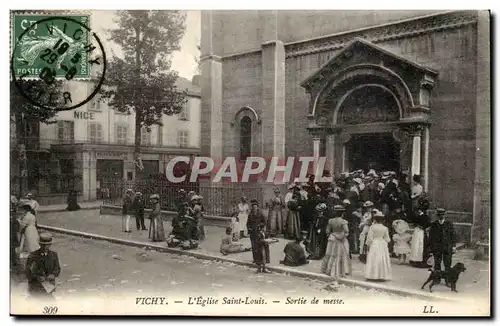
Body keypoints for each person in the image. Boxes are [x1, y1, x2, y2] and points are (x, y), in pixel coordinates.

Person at [25, 233, 61, 299]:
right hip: (36, 288)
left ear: (50, 245)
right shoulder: (33, 256)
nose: (45, 247)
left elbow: (57, 269)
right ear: (39, 244)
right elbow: (28, 272)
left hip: (49, 288)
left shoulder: (53, 255)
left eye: (47, 245)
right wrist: (37, 277)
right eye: (43, 245)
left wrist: (53, 275)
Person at [321, 205, 351, 282]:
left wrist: (333, 234)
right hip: (340, 239)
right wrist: (341, 236)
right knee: (339, 255)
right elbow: (346, 231)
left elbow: (327, 231)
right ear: (342, 213)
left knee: (329, 253)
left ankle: (327, 269)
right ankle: (339, 271)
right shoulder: (343, 221)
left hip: (332, 238)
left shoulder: (331, 221)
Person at [364, 210, 392, 281]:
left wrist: (368, 245)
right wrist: (384, 243)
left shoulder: (372, 227)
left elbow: (370, 238)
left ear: (375, 219)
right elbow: (387, 239)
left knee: (374, 258)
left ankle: (373, 275)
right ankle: (382, 275)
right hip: (382, 243)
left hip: (374, 243)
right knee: (381, 258)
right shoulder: (385, 228)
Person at [428, 208, 457, 274]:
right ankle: (437, 279)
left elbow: (453, 235)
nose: (441, 216)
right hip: (437, 247)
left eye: (442, 215)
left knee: (447, 263)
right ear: (437, 216)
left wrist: (454, 246)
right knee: (437, 263)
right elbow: (431, 237)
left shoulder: (449, 224)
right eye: (439, 215)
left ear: (444, 215)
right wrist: (430, 247)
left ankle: (448, 280)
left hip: (447, 247)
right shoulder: (434, 224)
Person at [409, 198, 432, 268]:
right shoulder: (420, 216)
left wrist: (422, 227)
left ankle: (418, 259)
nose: (418, 211)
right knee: (417, 245)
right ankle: (416, 259)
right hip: (418, 231)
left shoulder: (423, 216)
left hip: (420, 231)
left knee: (419, 245)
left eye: (419, 210)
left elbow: (427, 224)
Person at [247, 199, 266, 264]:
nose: (254, 208)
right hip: (252, 233)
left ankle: (259, 259)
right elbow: (248, 223)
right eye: (253, 207)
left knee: (258, 246)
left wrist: (260, 225)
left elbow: (264, 222)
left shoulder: (260, 214)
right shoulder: (250, 214)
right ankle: (254, 259)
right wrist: (249, 228)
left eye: (255, 207)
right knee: (253, 246)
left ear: (257, 207)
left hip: (258, 232)